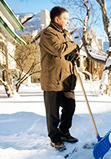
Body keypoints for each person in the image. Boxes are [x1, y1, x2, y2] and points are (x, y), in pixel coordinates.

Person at [39, 6, 80, 151]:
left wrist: (75, 53)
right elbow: (59, 49)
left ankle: (64, 133)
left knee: (70, 106)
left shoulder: (65, 35)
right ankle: (55, 139)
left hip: (66, 80)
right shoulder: (47, 34)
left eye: (69, 19)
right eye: (66, 19)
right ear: (57, 19)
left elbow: (71, 51)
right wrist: (73, 45)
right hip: (52, 80)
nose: (68, 22)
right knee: (53, 112)